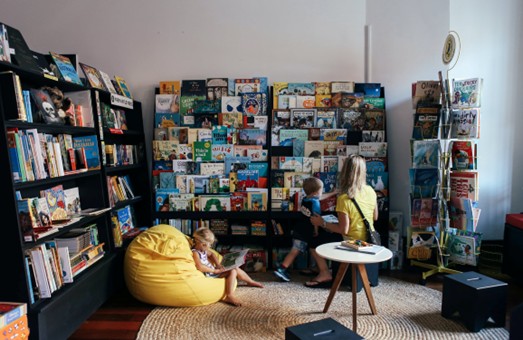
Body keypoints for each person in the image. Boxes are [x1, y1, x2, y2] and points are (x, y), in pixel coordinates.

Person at [305, 154, 378, 288]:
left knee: (314, 242)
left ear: (345, 172)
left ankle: (324, 273)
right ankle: (326, 269)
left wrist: (322, 223)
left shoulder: (344, 198)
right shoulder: (371, 191)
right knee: (327, 234)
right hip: (368, 239)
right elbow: (375, 217)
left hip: (351, 242)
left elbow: (343, 230)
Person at [191, 227, 263, 306]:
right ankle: (229, 295)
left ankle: (250, 281)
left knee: (234, 267)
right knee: (233, 271)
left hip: (214, 271)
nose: (210, 247)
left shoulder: (203, 249)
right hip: (210, 274)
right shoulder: (195, 252)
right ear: (202, 243)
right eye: (209, 245)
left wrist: (218, 264)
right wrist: (215, 271)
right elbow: (200, 267)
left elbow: (212, 254)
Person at [274, 177, 323, 282]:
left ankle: (312, 267)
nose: (321, 193)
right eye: (321, 190)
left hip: (299, 229)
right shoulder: (315, 203)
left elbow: (319, 198)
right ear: (316, 192)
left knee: (296, 250)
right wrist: (316, 230)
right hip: (305, 232)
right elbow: (315, 219)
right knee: (295, 251)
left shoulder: (306, 199)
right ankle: (282, 269)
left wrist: (333, 193)